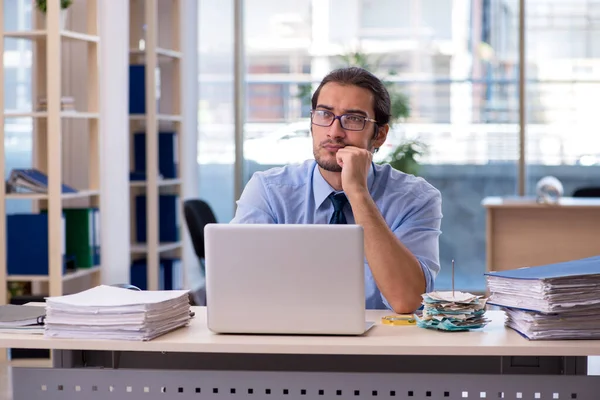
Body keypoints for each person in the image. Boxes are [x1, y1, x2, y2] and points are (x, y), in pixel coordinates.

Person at [231, 67, 442, 313]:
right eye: (324, 114)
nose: (334, 132)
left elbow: (407, 300)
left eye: (353, 119)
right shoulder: (269, 191)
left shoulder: (415, 198)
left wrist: (358, 193)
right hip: (288, 339)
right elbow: (237, 287)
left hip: (380, 346)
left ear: (380, 135)